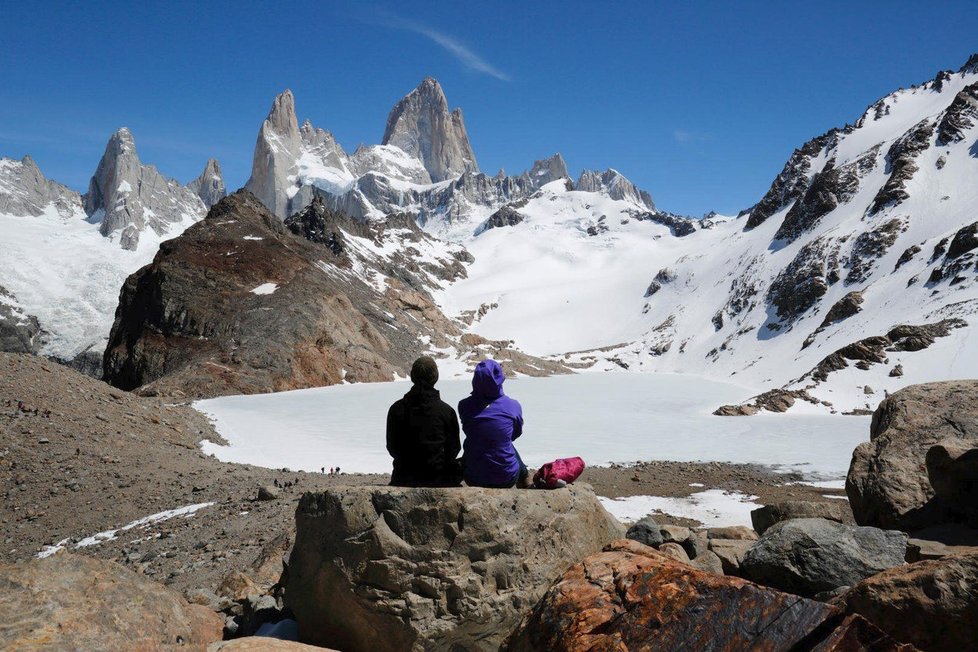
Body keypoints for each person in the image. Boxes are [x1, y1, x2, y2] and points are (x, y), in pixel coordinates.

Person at [386, 356, 462, 487]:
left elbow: (392, 447)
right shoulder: (446, 411)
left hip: (404, 476)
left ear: (412, 377)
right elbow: (454, 448)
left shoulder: (396, 409)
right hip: (438, 478)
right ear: (435, 377)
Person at [458, 359, 530, 488]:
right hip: (506, 478)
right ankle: (524, 481)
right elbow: (515, 433)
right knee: (505, 443)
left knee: (478, 442)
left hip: (473, 478)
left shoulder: (464, 405)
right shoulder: (513, 406)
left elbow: (469, 430)